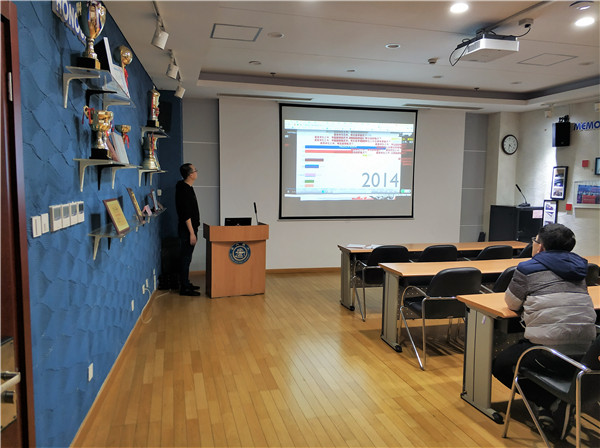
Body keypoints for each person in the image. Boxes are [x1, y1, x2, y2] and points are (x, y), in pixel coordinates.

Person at [492, 223, 596, 440]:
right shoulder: (581, 268)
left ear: (540, 247)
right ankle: (558, 400)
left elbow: (512, 303)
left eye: (535, 240)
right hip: (587, 354)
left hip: (549, 354)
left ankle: (552, 403)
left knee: (500, 365)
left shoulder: (528, 268)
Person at [175, 163, 201, 296]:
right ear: (190, 175)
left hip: (191, 229)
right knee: (185, 258)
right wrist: (191, 233)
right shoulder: (183, 190)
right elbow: (186, 214)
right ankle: (184, 287)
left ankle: (186, 282)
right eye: (195, 170)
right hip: (187, 230)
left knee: (187, 257)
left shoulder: (187, 188)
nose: (197, 172)